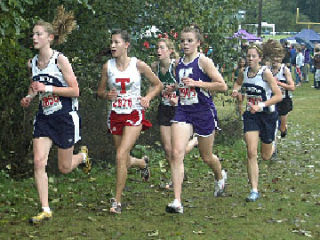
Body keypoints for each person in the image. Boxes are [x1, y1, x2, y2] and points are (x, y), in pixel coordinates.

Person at [20, 8, 91, 224]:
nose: (34, 37)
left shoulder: (60, 60)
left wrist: (48, 89)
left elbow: (75, 91)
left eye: (38, 34)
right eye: (33, 34)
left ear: (50, 38)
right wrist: (30, 97)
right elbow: (36, 87)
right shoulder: (32, 63)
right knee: (39, 161)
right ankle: (45, 208)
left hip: (64, 117)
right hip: (44, 118)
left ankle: (83, 157)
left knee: (64, 167)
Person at [97, 29, 163, 214]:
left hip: (134, 114)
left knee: (120, 156)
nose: (112, 46)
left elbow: (158, 84)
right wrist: (106, 95)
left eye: (116, 42)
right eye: (111, 42)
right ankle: (142, 163)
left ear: (126, 45)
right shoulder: (107, 67)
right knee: (123, 159)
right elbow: (100, 92)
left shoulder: (138, 65)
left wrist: (148, 97)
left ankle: (117, 201)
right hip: (116, 114)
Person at [165, 25, 228, 214]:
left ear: (198, 43)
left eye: (190, 40)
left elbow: (222, 85)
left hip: (203, 111)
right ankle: (177, 201)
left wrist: (198, 83)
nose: (185, 44)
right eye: (183, 40)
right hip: (184, 110)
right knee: (176, 153)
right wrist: (174, 89)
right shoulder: (177, 64)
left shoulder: (204, 61)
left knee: (206, 156)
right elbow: (183, 83)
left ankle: (220, 175)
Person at [232, 43, 282, 202]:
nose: (250, 59)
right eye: (248, 56)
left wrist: (260, 105)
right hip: (251, 116)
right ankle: (254, 190)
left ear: (260, 58)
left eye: (254, 56)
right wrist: (236, 90)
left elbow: (278, 96)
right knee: (251, 151)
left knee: (265, 156)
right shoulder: (244, 72)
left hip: (267, 115)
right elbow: (238, 83)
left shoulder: (265, 73)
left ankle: (273, 144)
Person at [151, 38, 198, 189]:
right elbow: (154, 86)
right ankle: (176, 177)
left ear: (170, 50)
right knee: (168, 149)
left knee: (178, 150)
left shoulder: (176, 65)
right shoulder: (154, 67)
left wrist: (177, 97)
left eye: (162, 48)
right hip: (164, 108)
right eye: (157, 48)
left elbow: (186, 84)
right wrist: (146, 99)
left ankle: (195, 141)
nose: (159, 51)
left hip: (178, 108)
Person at [265, 40, 295, 138]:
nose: (275, 60)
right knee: (271, 122)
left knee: (281, 126)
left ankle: (283, 129)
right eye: (273, 57)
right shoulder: (267, 69)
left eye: (278, 57)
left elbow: (292, 87)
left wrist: (279, 83)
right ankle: (272, 143)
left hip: (284, 99)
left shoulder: (284, 70)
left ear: (281, 58)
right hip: (272, 99)